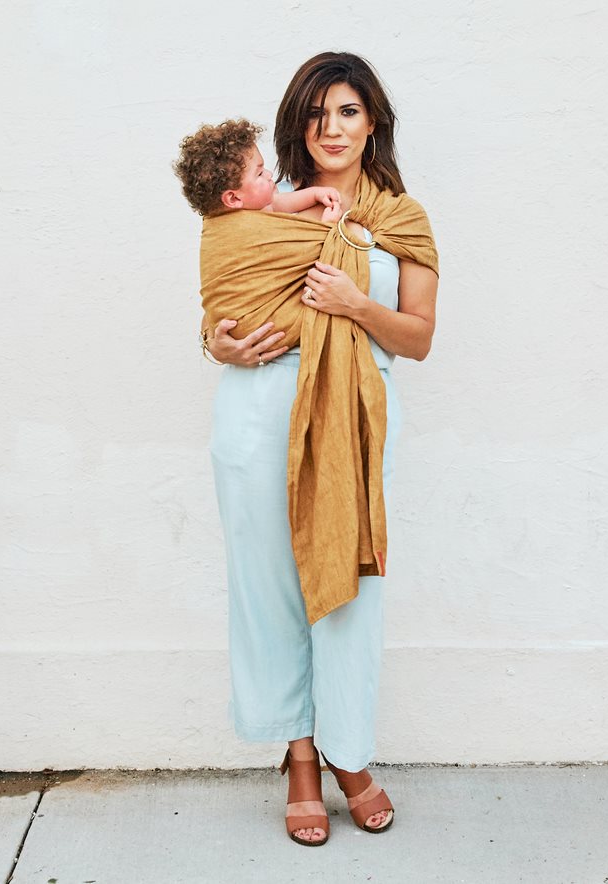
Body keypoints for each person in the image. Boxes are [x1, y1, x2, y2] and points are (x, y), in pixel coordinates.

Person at [196, 52, 439, 846]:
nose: (329, 128)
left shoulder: (401, 219)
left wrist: (355, 303)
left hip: (354, 413)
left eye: (346, 111)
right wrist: (218, 345)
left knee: (351, 585)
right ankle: (300, 756)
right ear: (297, 123)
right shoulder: (262, 211)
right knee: (268, 586)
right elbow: (228, 297)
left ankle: (349, 753)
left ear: (374, 123)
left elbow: (421, 338)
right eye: (314, 113)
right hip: (259, 407)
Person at [173, 118, 342, 221]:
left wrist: (315, 194)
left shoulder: (259, 206)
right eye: (259, 173)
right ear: (233, 198)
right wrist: (326, 226)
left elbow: (284, 202)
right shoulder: (246, 230)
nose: (269, 175)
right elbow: (297, 254)